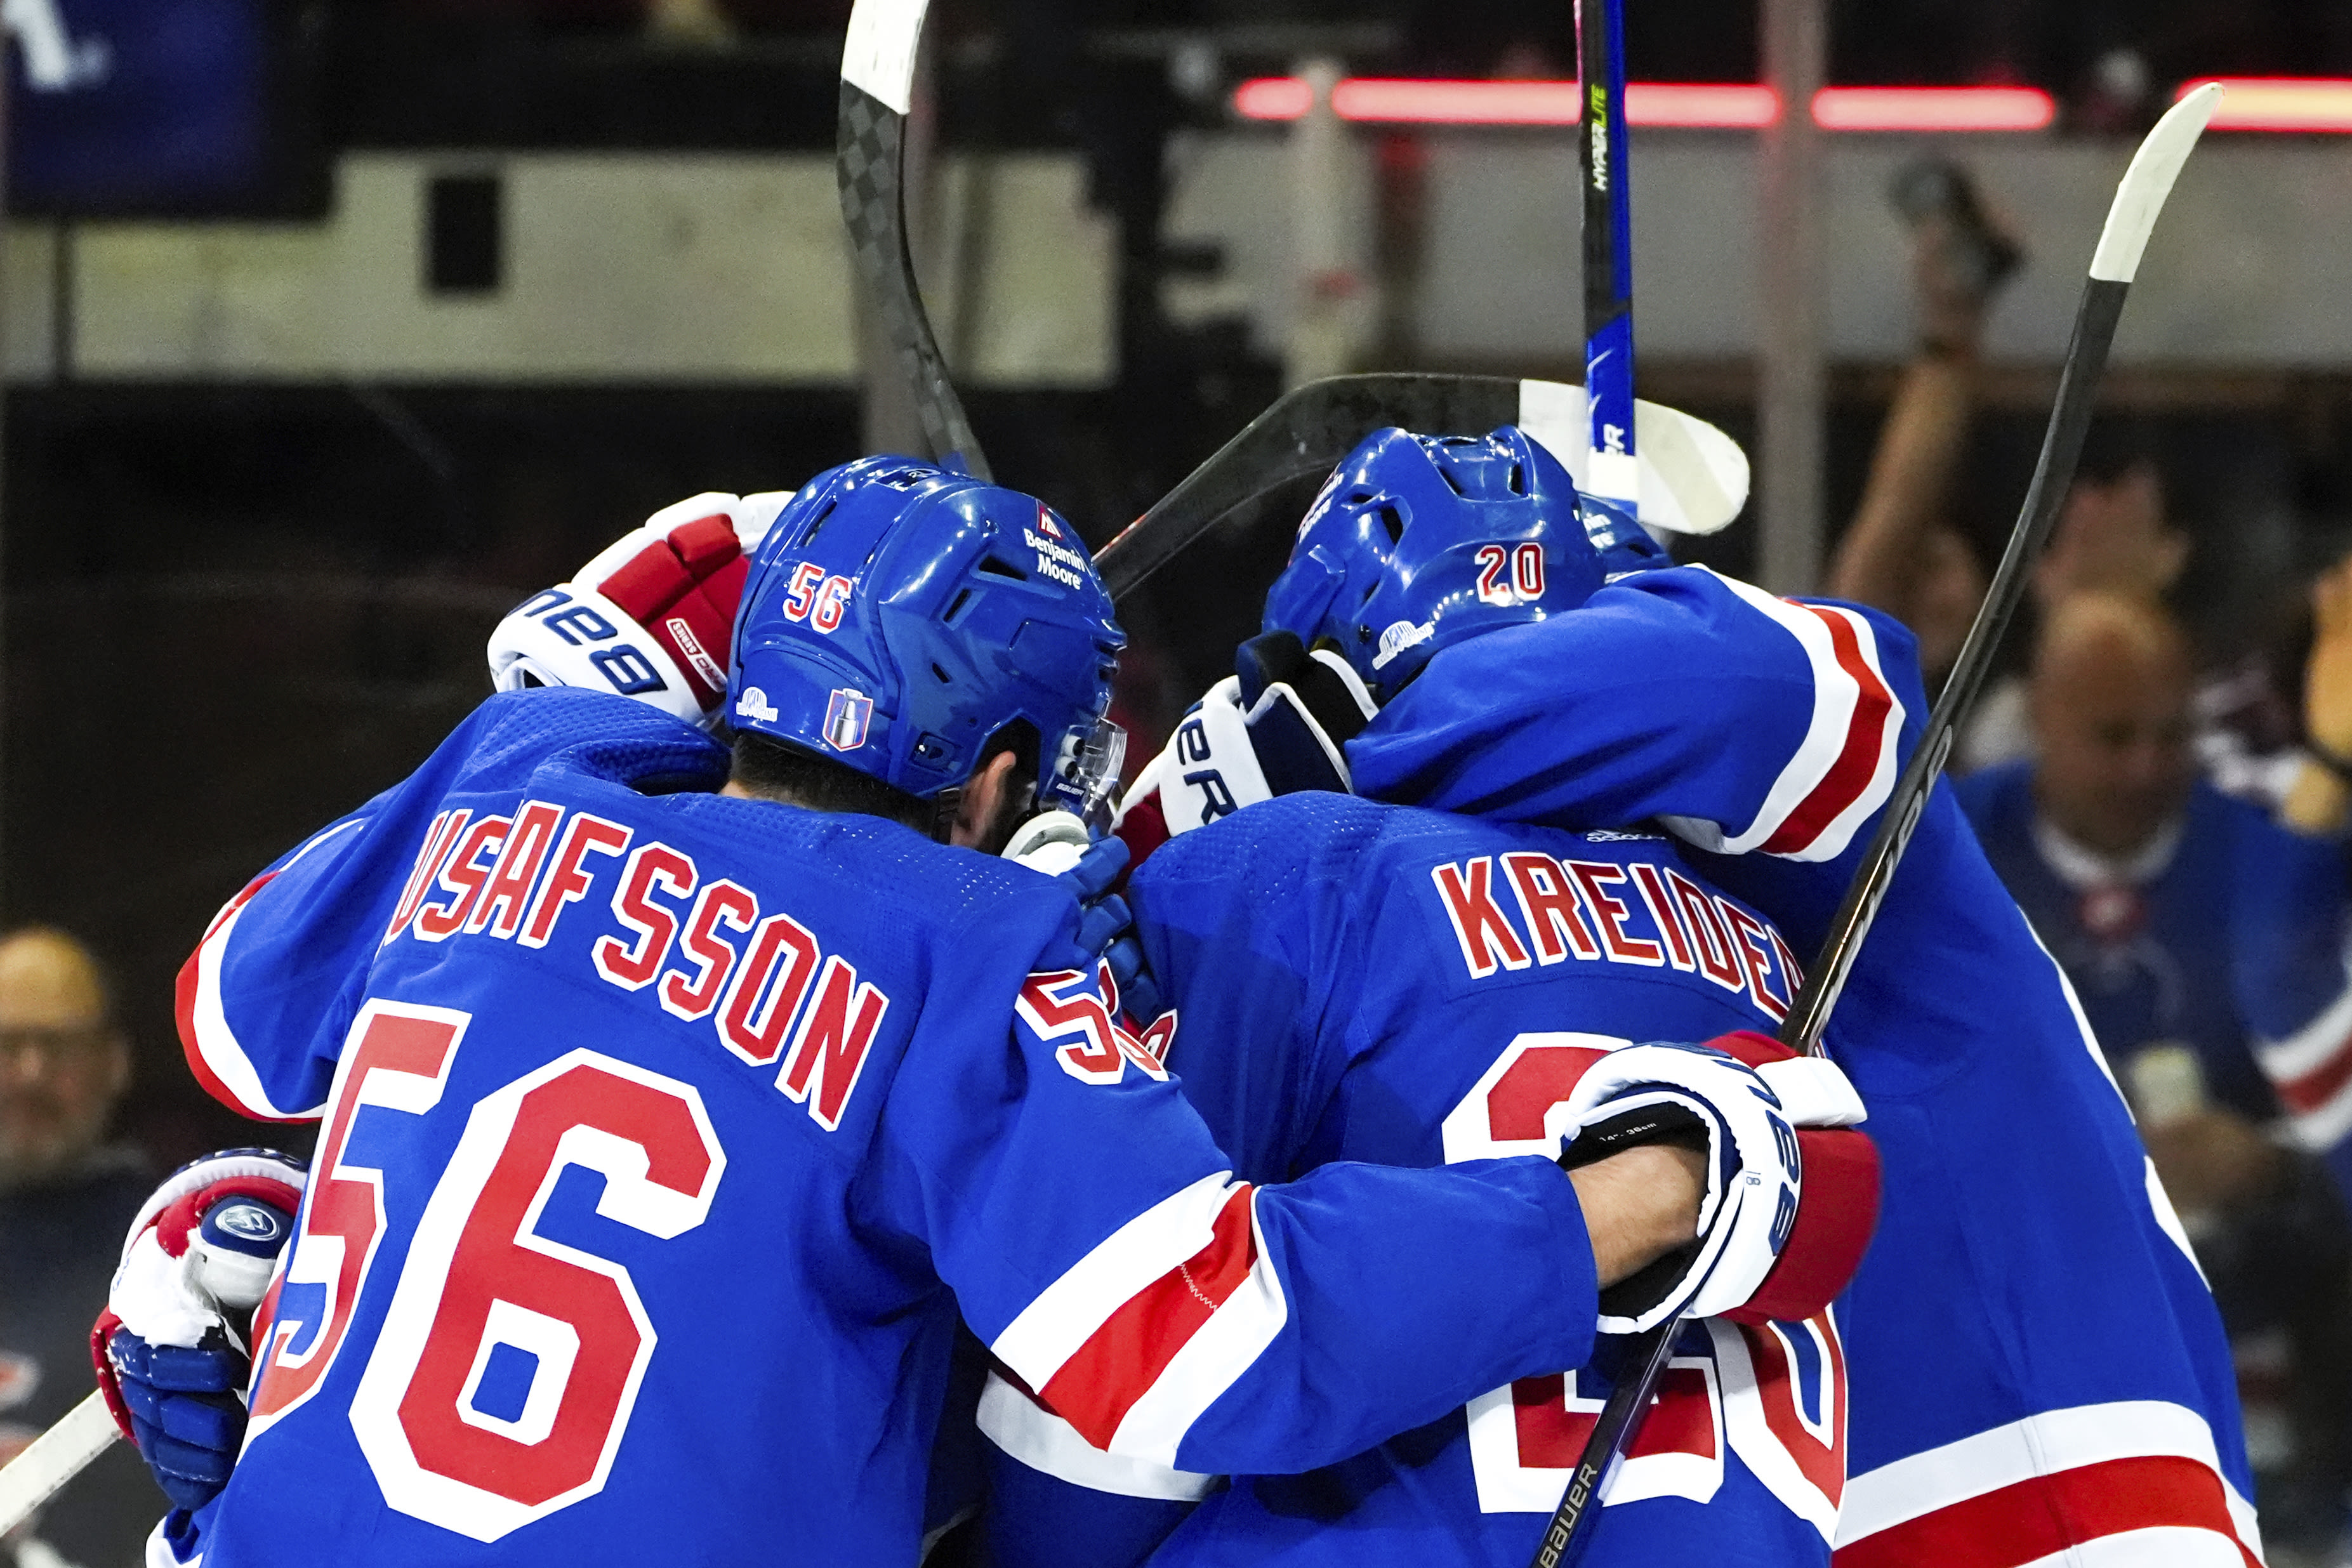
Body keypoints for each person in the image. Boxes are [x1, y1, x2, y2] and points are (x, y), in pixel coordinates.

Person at [96, 464, 1865, 1565]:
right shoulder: (970, 941)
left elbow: (240, 1022)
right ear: (1004, 767)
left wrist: (611, 713)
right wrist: (1634, 1200)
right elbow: (1205, 1347)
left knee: (206, 1241)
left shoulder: (519, 768)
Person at [1091, 424, 2257, 1565]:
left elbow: (1776, 680)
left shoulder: (1826, 812)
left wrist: (1305, 761)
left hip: (2059, 1478)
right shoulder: (1664, 897)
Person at [1954, 583, 2352, 1546]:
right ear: (2037, 718)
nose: (2145, 767)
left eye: (2171, 735)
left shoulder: (2275, 869)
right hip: (2008, 1319)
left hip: (2252, 1318)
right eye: (2112, 734)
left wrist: (2267, 1160)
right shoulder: (1946, 858)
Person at [0, 927, 156, 1568]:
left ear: (115, 1062)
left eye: (60, 1046)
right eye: (8, 1045)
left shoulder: (175, 1250)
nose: (32, 1072)